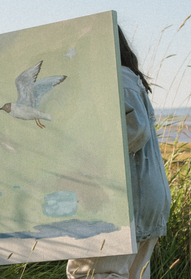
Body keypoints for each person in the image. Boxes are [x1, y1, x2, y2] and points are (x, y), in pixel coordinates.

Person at [66, 25, 171, 279]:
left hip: (126, 200)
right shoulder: (125, 77)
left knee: (91, 273)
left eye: (84, 48)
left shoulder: (118, 77)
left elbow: (136, 129)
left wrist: (89, 159)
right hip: (140, 196)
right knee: (130, 274)